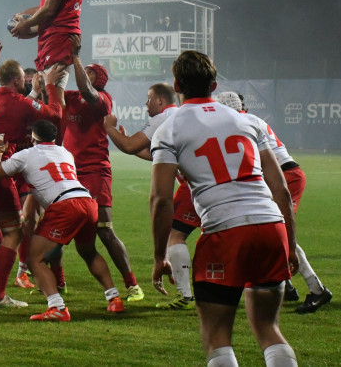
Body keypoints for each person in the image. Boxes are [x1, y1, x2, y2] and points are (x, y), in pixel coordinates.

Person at [151, 51, 298, 367]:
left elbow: (161, 200)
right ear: (214, 84)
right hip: (271, 226)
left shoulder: (169, 128)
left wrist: (158, 255)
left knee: (217, 336)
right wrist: (291, 244)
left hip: (224, 230)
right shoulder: (246, 120)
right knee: (268, 328)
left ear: (176, 84)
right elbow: (282, 190)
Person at [0, 119, 123, 321]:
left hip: (65, 206)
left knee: (35, 259)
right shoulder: (65, 152)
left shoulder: (26, 155)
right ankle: (114, 298)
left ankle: (57, 307)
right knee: (88, 251)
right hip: (86, 201)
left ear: (33, 137)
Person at [213, 92, 331, 314]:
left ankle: (317, 289)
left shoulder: (239, 124)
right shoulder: (250, 120)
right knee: (271, 232)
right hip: (282, 175)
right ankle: (287, 286)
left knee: (279, 233)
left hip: (282, 177)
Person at [0, 60, 66, 308]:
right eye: (23, 80)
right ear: (17, 81)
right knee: (14, 231)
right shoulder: (18, 101)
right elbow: (54, 114)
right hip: (0, 169)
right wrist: (50, 84)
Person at [64, 44, 144, 303]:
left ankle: (132, 284)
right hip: (67, 173)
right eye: (83, 70)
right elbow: (49, 93)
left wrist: (75, 56)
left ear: (99, 80)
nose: (84, 73)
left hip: (95, 171)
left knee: (105, 229)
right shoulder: (71, 98)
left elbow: (87, 89)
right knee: (60, 230)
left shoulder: (102, 99)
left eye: (90, 72)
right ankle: (55, 282)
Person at [104, 83, 188, 309]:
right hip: (206, 185)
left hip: (194, 188)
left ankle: (186, 294)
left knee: (174, 235)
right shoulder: (180, 116)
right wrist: (123, 141)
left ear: (160, 101)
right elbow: (156, 155)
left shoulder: (164, 118)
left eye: (149, 98)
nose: (145, 103)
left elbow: (131, 146)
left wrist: (109, 128)